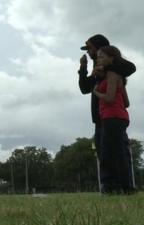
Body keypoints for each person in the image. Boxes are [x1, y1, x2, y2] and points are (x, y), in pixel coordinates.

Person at [78, 34, 135, 191]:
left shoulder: (112, 65)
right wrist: (83, 69)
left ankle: (125, 185)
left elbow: (131, 68)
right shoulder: (97, 70)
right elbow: (84, 88)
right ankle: (110, 186)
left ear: (98, 48)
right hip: (100, 118)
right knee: (104, 154)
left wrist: (105, 67)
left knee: (118, 152)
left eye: (89, 48)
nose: (88, 52)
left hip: (113, 116)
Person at [93, 45, 134, 194]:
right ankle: (124, 186)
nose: (98, 59)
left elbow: (109, 98)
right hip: (119, 117)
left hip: (112, 117)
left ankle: (123, 187)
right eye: (98, 57)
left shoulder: (112, 74)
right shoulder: (116, 76)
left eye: (102, 56)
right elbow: (127, 103)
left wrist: (96, 92)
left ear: (111, 58)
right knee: (116, 153)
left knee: (110, 154)